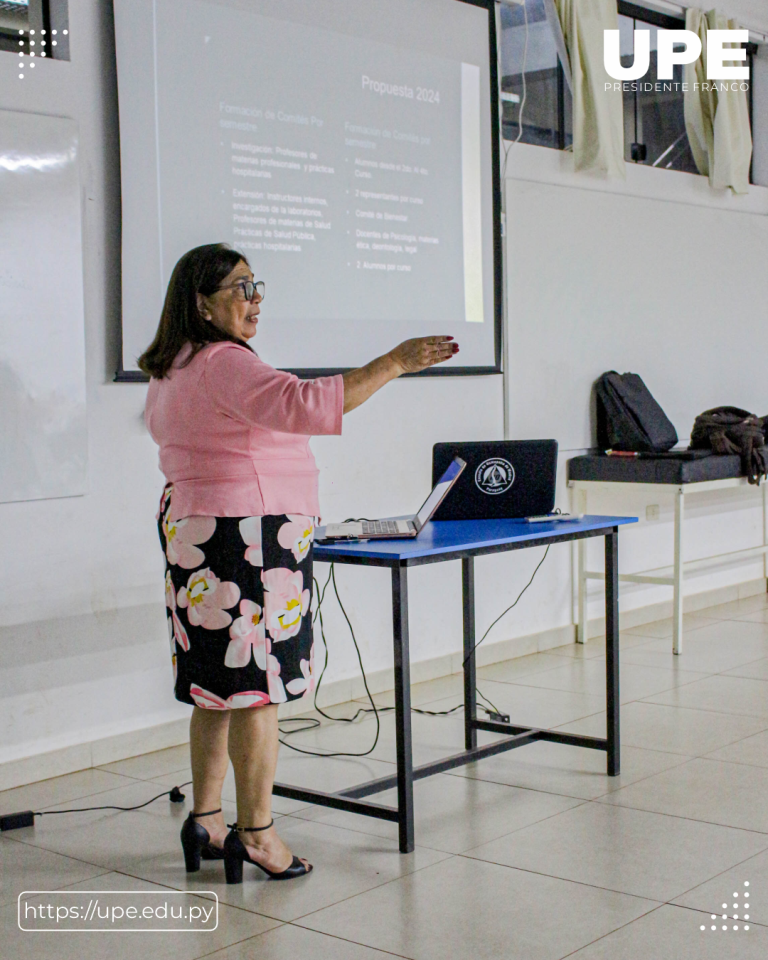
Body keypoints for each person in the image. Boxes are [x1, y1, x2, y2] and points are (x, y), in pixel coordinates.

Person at [139, 243, 458, 883]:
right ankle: (257, 834)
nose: (254, 298)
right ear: (200, 302)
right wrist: (395, 361)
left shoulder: (174, 365)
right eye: (239, 288)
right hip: (248, 541)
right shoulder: (224, 362)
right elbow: (305, 404)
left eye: (258, 285)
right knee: (255, 691)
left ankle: (206, 820)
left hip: (199, 532)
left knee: (215, 689)